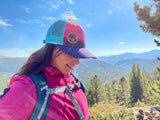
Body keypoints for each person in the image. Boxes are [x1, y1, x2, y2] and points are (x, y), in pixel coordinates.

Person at [0, 19, 96, 120]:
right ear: (51, 49)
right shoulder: (25, 88)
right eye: (71, 53)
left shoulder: (74, 79)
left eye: (78, 55)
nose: (77, 62)